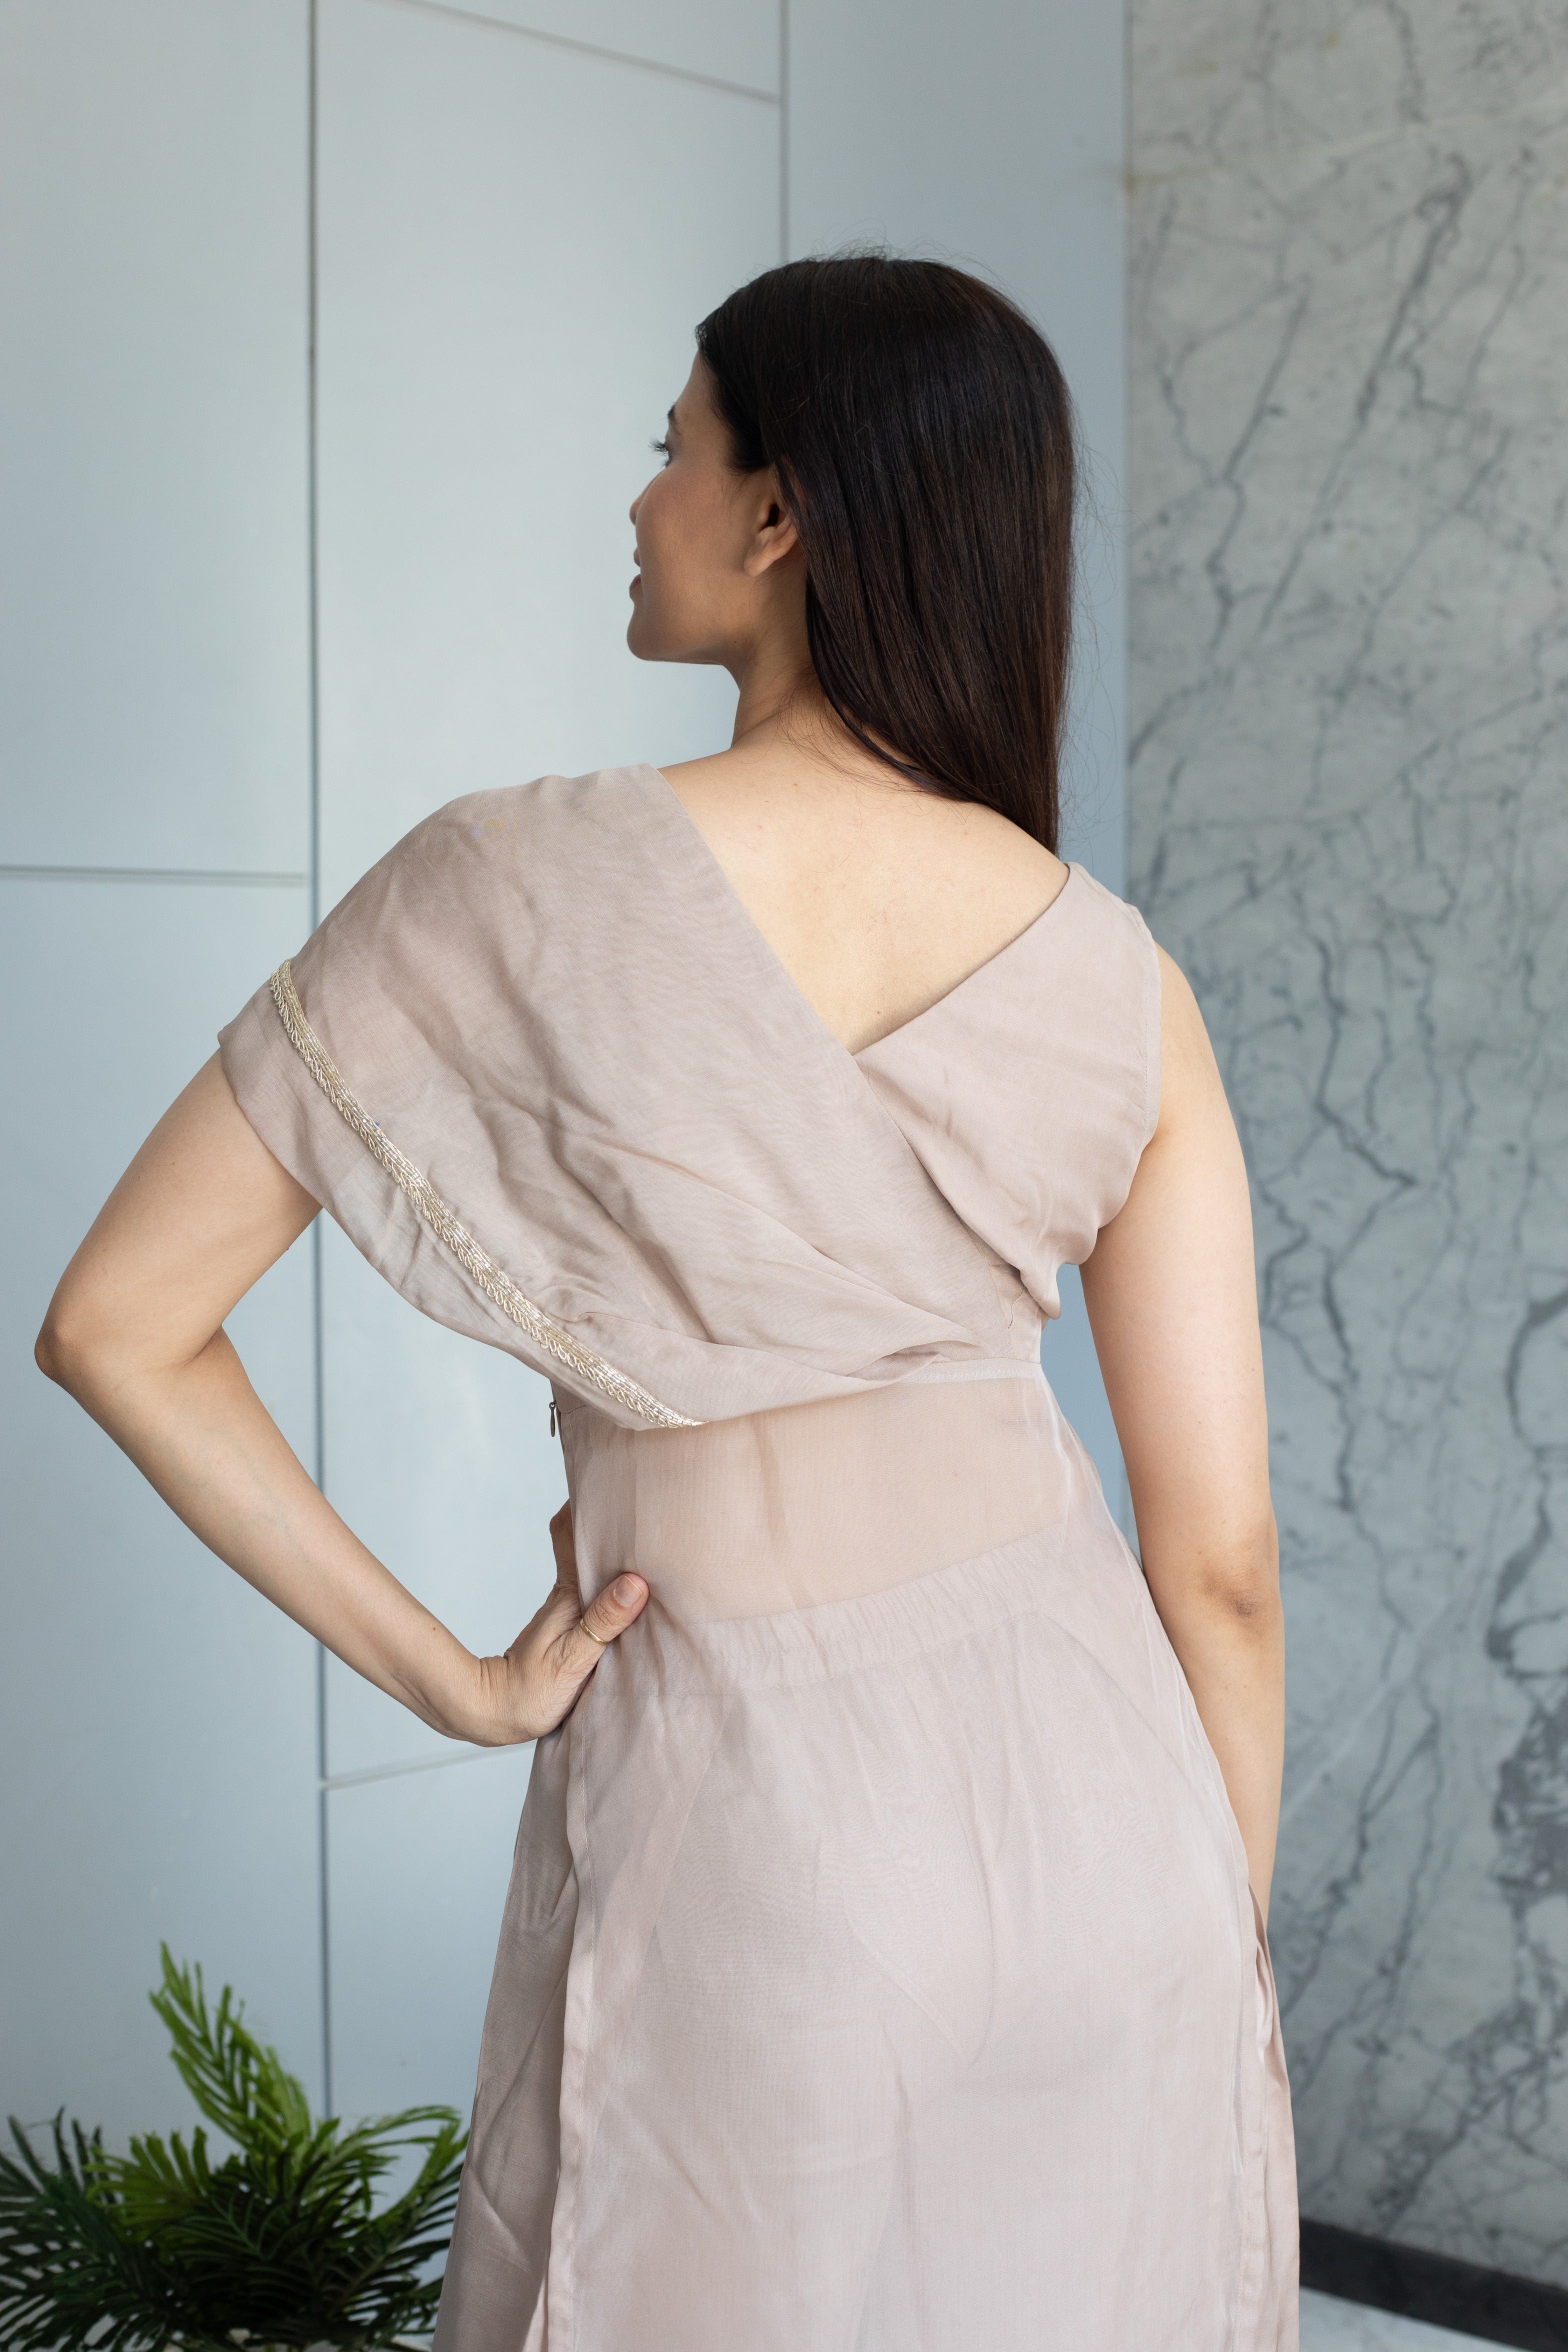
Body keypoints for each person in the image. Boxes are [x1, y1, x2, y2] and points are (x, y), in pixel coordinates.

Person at [36, 256, 1296, 2350]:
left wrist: (454, 1676)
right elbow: (1225, 1567)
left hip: (756, 1823)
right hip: (1116, 1825)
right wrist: (1207, 1940)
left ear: (780, 511)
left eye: (669, 449)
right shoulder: (1122, 976)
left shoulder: (509, 878)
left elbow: (116, 1323)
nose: (637, 502)